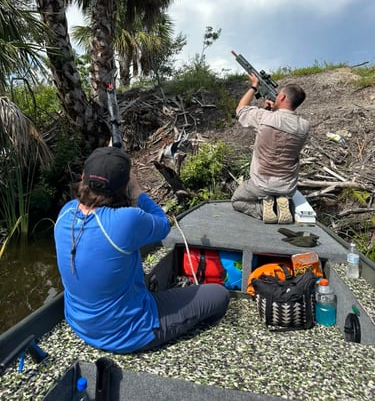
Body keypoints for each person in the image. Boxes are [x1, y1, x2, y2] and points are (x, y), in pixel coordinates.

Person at [54, 146, 229, 354]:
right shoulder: (126, 220)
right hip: (129, 333)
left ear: (83, 177)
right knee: (219, 295)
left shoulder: (66, 212)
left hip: (79, 324)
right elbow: (163, 224)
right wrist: (138, 193)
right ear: (126, 185)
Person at [231, 73, 309, 224]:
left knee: (237, 200)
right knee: (282, 192)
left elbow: (240, 109)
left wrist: (254, 86)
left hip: (261, 184)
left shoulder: (264, 117)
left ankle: (266, 208)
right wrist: (271, 111)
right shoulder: (304, 126)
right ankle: (281, 204)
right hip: (287, 186)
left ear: (282, 98)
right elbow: (282, 132)